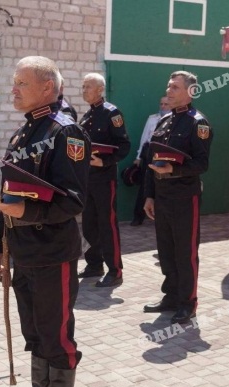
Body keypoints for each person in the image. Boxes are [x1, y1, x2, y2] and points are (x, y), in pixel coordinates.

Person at [0, 56, 89, 387]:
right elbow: (7, 194)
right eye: (14, 83)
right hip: (23, 252)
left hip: (52, 254)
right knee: (35, 334)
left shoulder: (67, 132)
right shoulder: (23, 132)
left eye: (21, 83)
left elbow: (73, 201)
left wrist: (26, 213)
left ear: (48, 87)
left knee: (56, 338)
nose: (13, 89)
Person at [142, 71, 213, 325]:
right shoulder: (164, 121)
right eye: (168, 86)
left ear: (190, 91)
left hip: (184, 197)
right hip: (162, 196)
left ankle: (187, 303)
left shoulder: (198, 123)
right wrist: (149, 196)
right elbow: (152, 160)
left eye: (174, 87)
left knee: (185, 251)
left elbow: (201, 164)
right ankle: (171, 296)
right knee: (166, 250)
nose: (168, 91)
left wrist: (174, 170)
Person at [77, 72, 131, 287]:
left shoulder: (112, 113)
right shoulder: (87, 116)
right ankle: (94, 264)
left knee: (107, 224)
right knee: (89, 223)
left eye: (87, 87)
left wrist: (105, 161)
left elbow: (124, 145)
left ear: (100, 89)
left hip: (104, 178)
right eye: (83, 86)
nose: (84, 90)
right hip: (87, 178)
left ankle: (115, 270)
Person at [131, 96, 171, 226]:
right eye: (161, 104)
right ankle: (138, 216)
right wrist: (138, 157)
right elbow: (144, 138)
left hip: (166, 154)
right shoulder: (153, 118)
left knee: (164, 184)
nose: (163, 106)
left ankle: (162, 217)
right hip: (150, 152)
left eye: (166, 104)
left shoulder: (174, 119)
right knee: (145, 184)